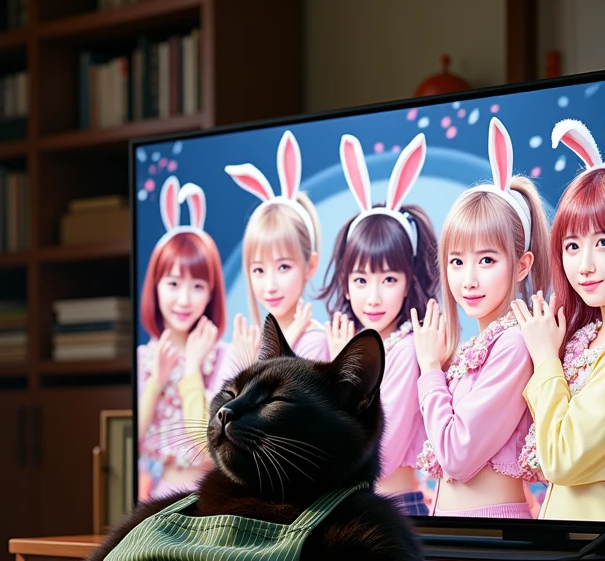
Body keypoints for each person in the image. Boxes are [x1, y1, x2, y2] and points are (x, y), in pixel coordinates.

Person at [413, 117, 551, 518]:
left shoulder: (514, 344)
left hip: (492, 531)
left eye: (487, 259)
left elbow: (457, 456)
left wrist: (428, 369)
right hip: (459, 533)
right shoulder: (478, 344)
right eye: (456, 261)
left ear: (522, 265)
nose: (468, 279)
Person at [318, 133, 439, 513]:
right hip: (353, 508)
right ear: (344, 283)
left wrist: (344, 378)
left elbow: (380, 451)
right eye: (360, 280)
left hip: (397, 508)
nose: (373, 297)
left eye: (388, 279)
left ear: (409, 283)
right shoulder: (338, 343)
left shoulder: (406, 351)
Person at [513, 119, 605, 521]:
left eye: (602, 242)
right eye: (572, 245)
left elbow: (561, 457)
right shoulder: (588, 334)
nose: (584, 265)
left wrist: (546, 357)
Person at [137, 175, 229, 500]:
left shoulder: (222, 357)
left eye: (198, 286)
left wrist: (192, 367)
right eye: (173, 284)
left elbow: (206, 445)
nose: (184, 300)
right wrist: (156, 381)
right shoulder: (143, 359)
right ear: (155, 286)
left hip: (211, 495)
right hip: (162, 495)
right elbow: (128, 439)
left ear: (211, 294)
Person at [222, 129, 327, 371]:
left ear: (310, 265)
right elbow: (214, 410)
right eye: (258, 270)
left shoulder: (314, 344)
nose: (270, 285)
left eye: (283, 267)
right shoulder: (246, 345)